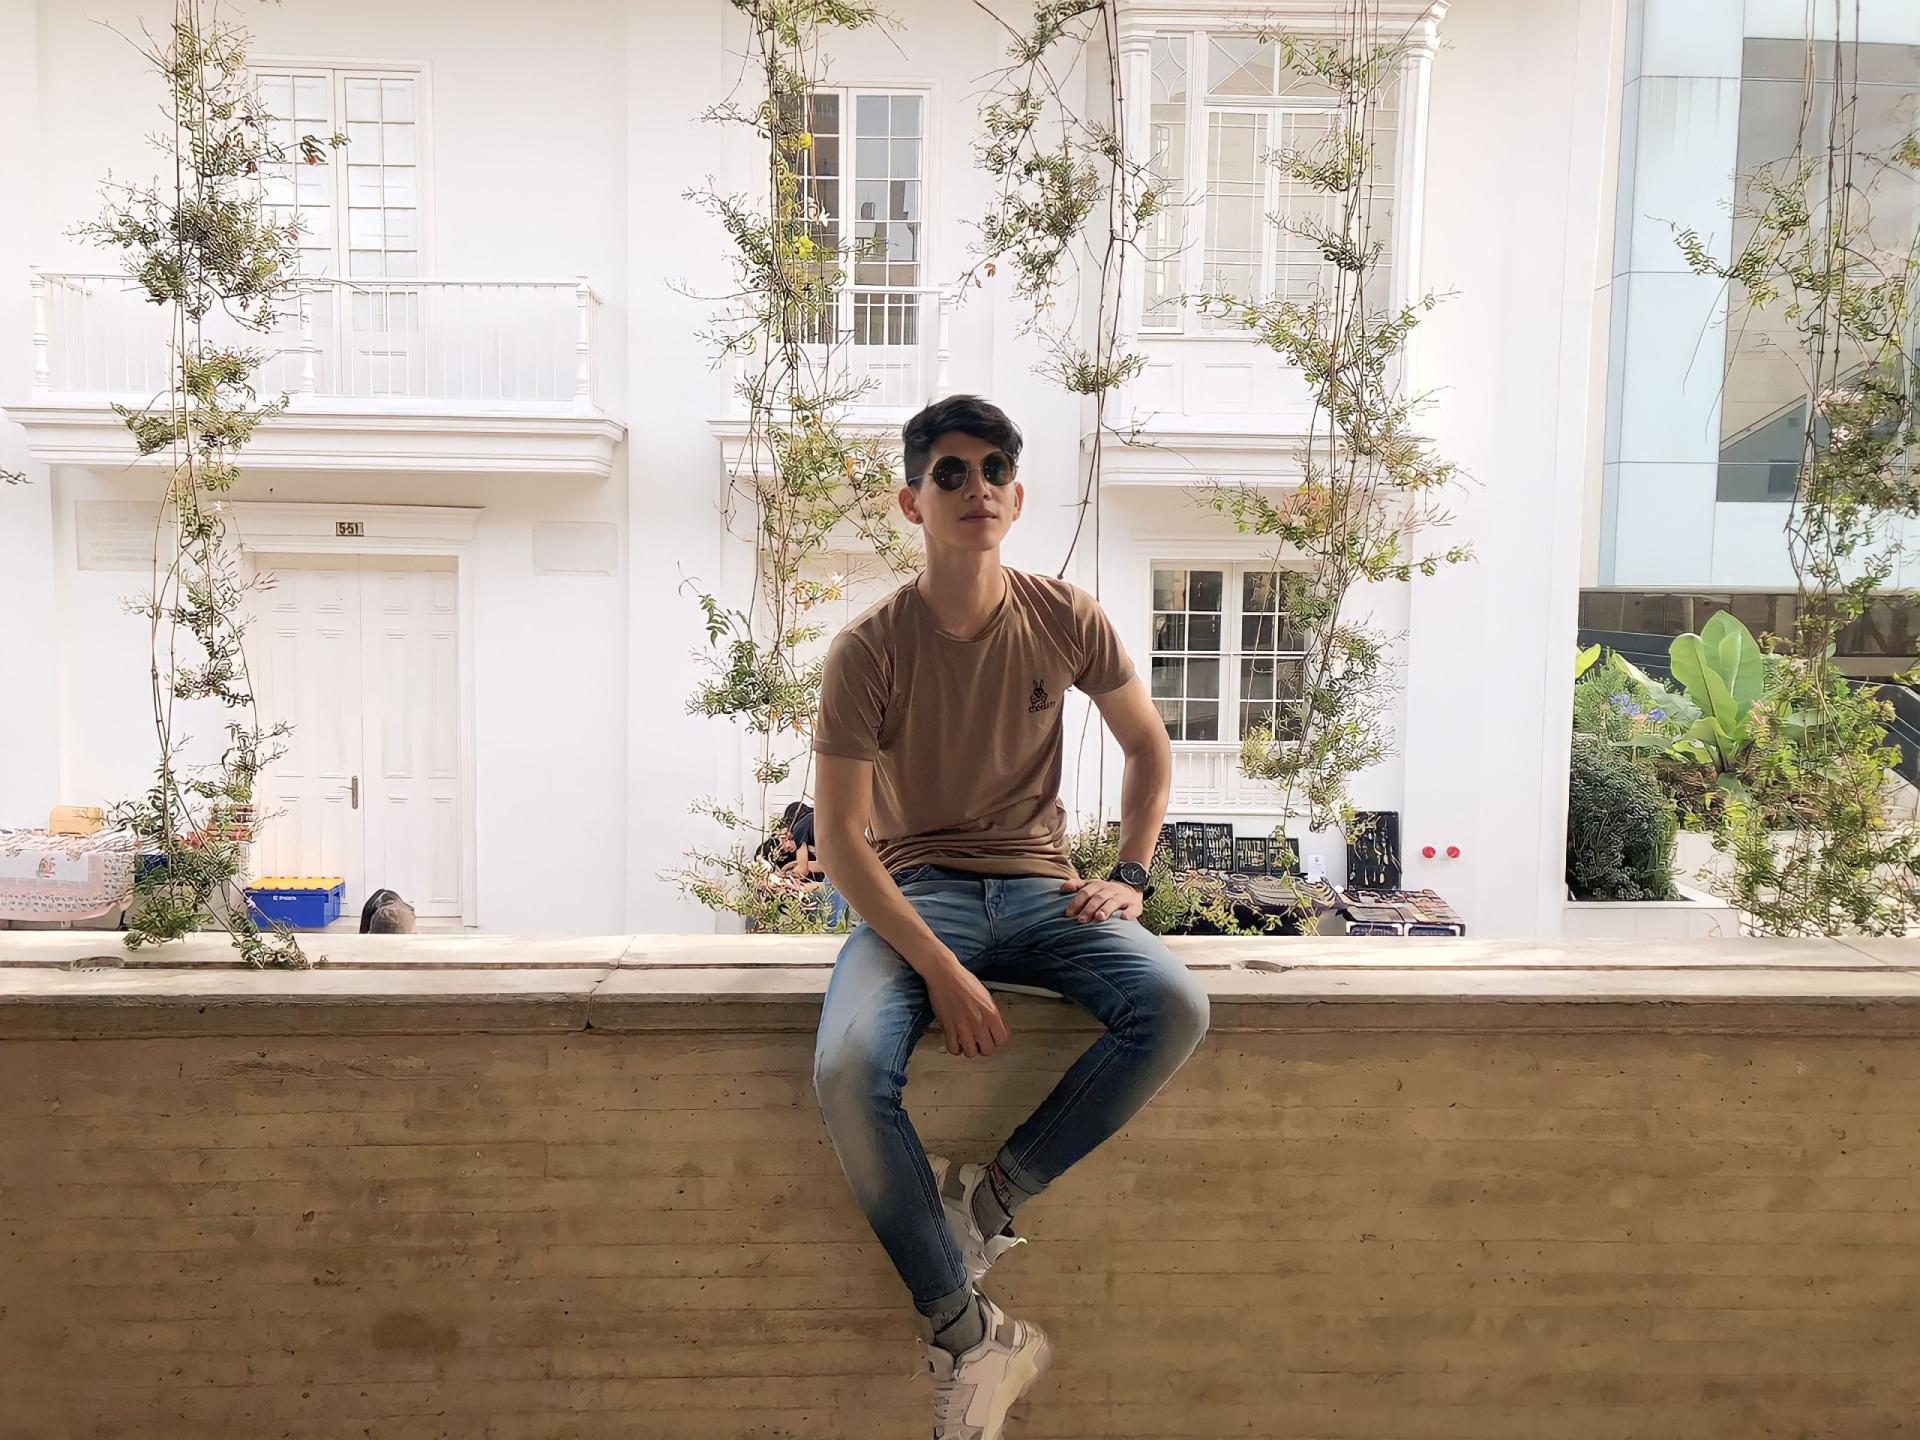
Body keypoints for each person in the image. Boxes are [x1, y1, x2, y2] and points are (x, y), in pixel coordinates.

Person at [809, 395, 1210, 1438]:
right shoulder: (868, 649)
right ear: (913, 501)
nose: (975, 487)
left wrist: (1131, 873)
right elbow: (843, 842)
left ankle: (986, 1206)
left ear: (1016, 498)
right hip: (917, 897)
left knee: (1173, 1005)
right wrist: (942, 970)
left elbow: (1149, 749)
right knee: (848, 1069)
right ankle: (969, 1334)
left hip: (1042, 889)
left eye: (993, 470)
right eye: (950, 472)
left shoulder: (1064, 616)